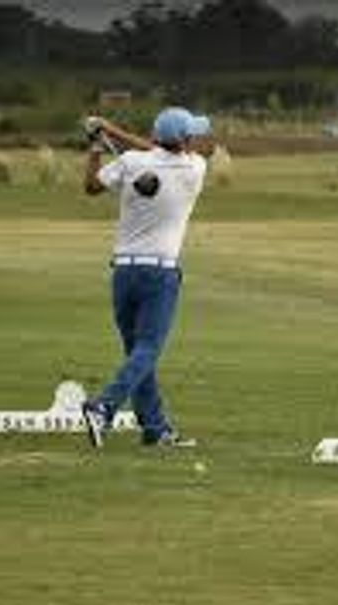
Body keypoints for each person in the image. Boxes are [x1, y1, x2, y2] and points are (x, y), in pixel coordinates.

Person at [81, 107, 212, 449]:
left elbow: (91, 187)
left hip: (124, 273)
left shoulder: (131, 163)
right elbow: (157, 149)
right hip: (160, 274)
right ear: (185, 141)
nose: (196, 140)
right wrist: (114, 131)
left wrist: (97, 145)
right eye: (192, 135)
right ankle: (103, 407)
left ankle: (155, 428)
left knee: (138, 354)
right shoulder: (194, 168)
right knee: (148, 350)